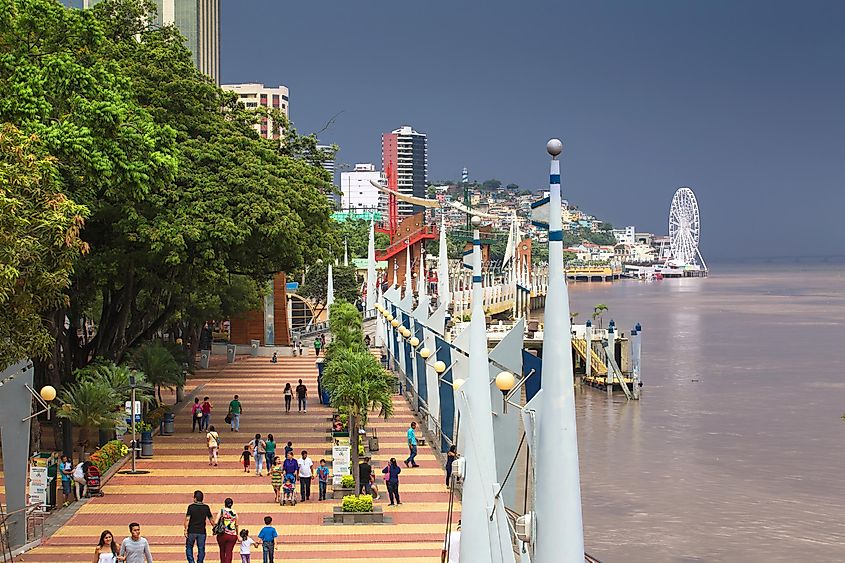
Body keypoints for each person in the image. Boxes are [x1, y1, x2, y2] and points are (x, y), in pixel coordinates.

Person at [184, 490, 215, 563]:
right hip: (202, 532)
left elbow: (187, 519)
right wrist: (214, 528)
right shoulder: (206, 507)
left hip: (191, 531)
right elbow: (211, 519)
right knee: (201, 549)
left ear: (195, 498)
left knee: (189, 547)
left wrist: (185, 530)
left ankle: (191, 562)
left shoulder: (191, 507)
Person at [215, 498, 238, 563]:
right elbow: (236, 525)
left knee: (222, 551)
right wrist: (237, 534)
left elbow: (216, 522)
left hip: (222, 534)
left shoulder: (222, 511)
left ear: (225, 504)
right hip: (232, 535)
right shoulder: (234, 512)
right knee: (229, 552)